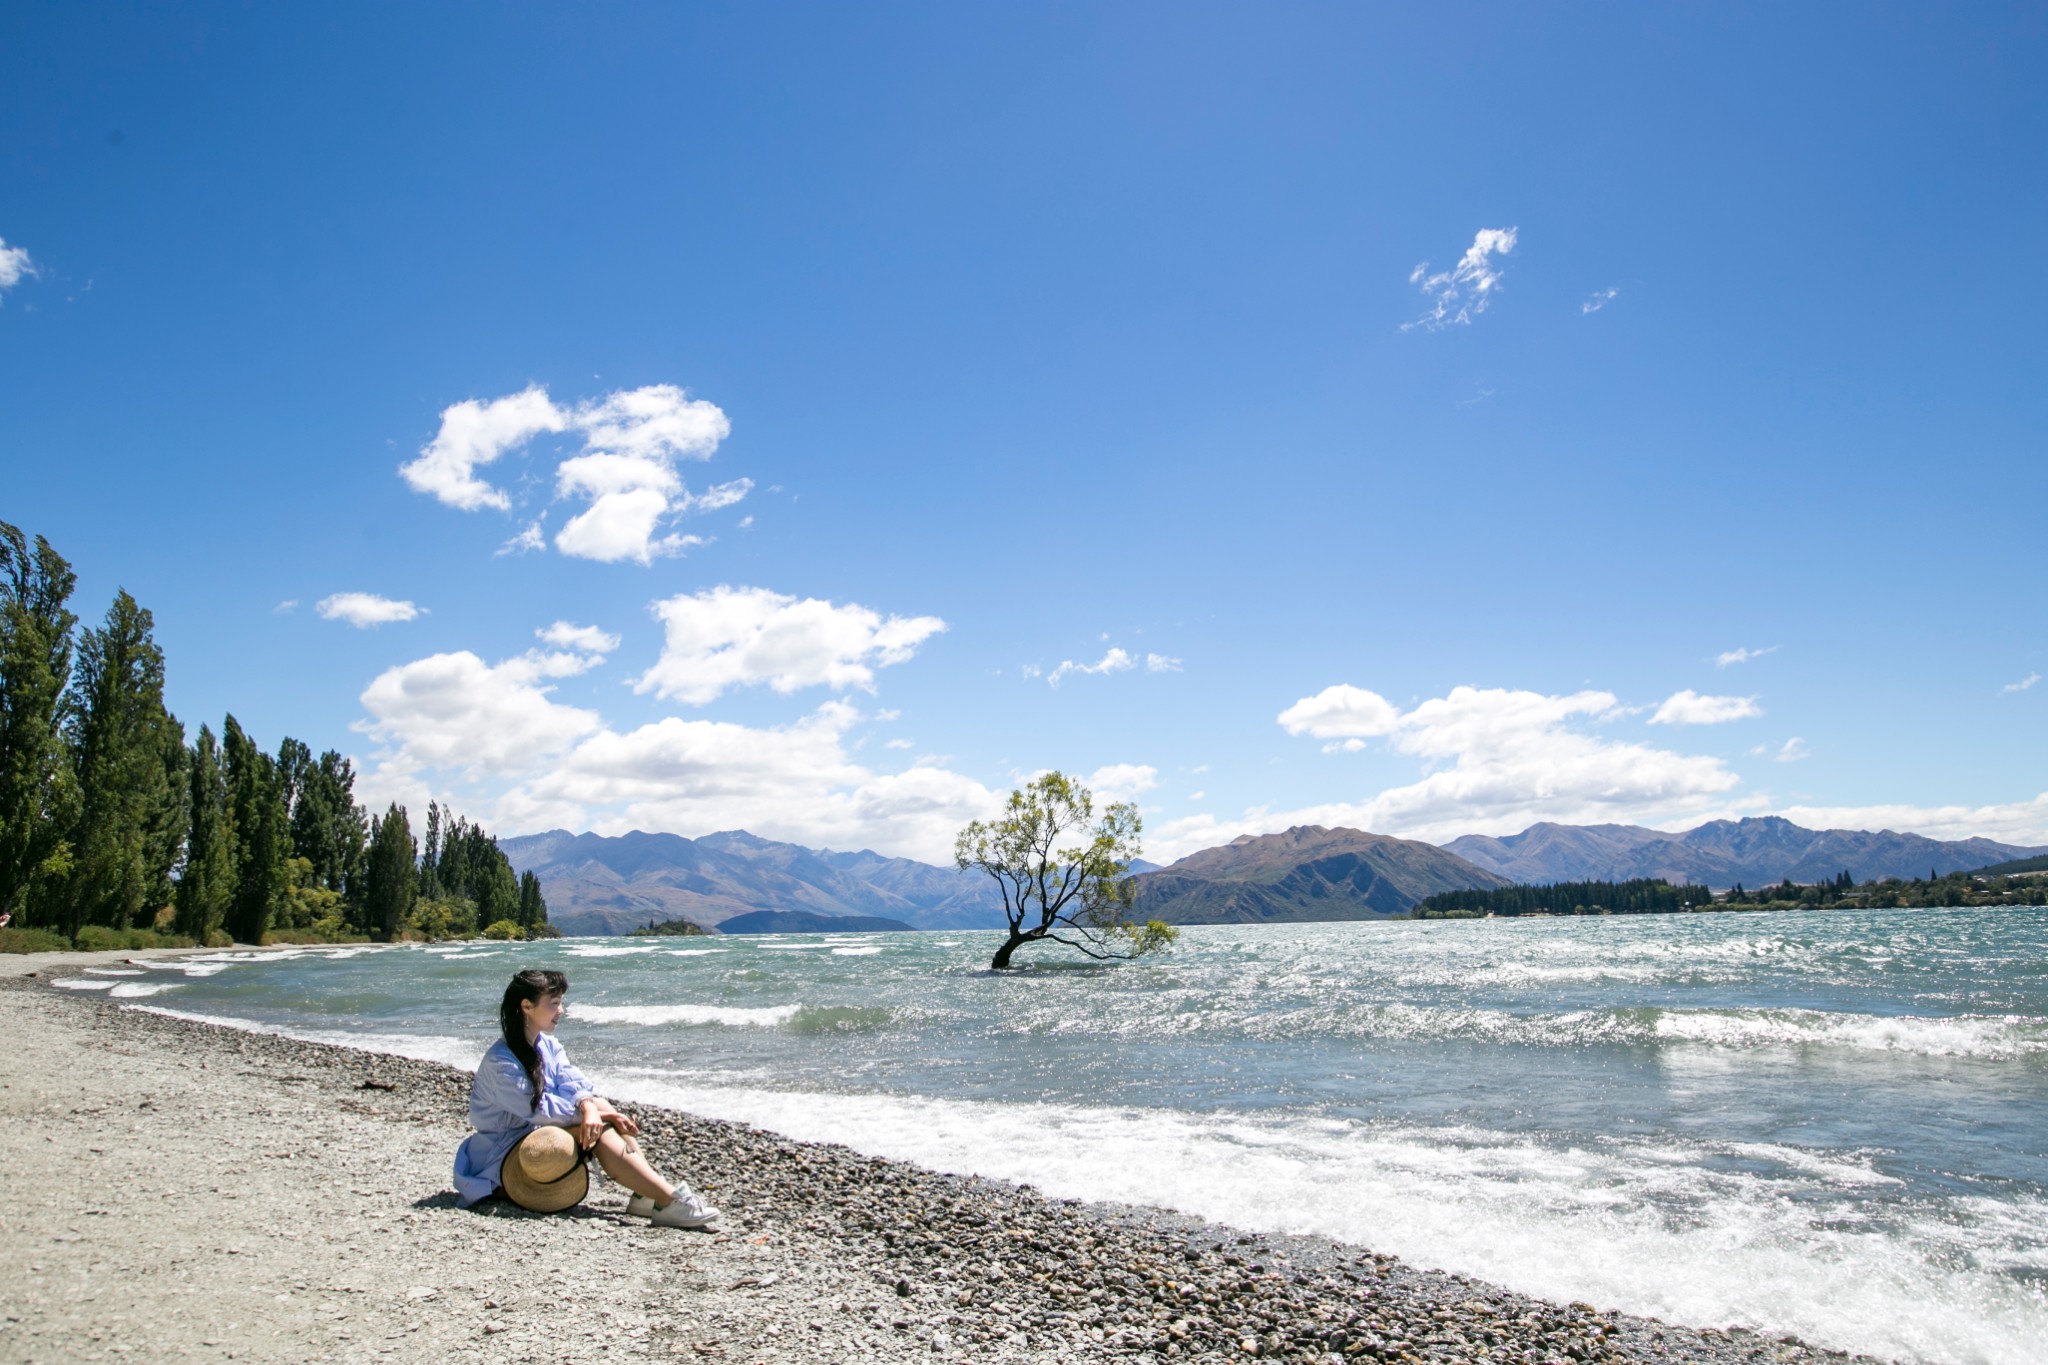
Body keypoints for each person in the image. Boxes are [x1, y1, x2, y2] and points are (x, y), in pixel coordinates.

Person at [453, 967, 720, 1228]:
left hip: (533, 1133)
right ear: (527, 1006)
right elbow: (538, 1109)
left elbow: (570, 1079)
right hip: (504, 1152)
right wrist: (595, 1115)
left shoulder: (546, 1043)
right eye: (554, 1003)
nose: (561, 1011)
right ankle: (667, 1199)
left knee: (599, 1106)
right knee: (599, 1127)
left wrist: (587, 1105)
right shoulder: (502, 1062)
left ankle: (646, 1194)